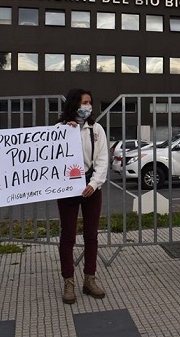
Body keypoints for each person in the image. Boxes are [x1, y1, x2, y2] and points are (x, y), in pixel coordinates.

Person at [57, 88, 109, 304]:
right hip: (68, 188)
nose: (87, 107)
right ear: (73, 105)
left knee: (91, 235)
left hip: (91, 187)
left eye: (89, 103)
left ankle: (89, 279)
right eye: (83, 103)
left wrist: (94, 183)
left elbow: (102, 158)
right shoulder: (59, 129)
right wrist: (66, 135)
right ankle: (68, 281)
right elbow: (53, 158)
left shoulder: (96, 129)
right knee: (68, 236)